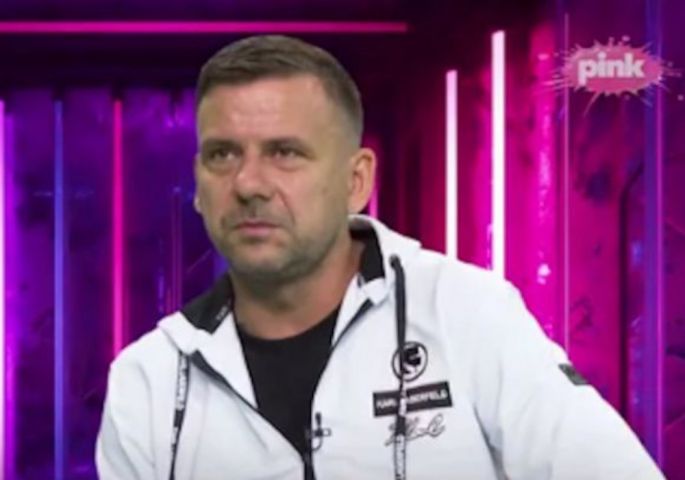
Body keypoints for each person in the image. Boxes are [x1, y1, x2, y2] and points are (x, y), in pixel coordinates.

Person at [96, 35, 664, 480]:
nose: (248, 183)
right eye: (222, 154)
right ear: (197, 184)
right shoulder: (147, 381)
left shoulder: (466, 313)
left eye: (285, 152)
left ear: (357, 180)